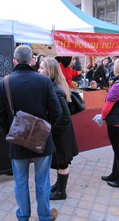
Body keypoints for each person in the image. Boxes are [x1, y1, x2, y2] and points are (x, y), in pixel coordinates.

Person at [0, 45, 62, 221]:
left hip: (17, 141)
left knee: (21, 181)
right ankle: (44, 216)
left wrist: (12, 132)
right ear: (32, 60)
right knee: (43, 181)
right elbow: (57, 112)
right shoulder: (44, 81)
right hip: (43, 141)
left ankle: (23, 216)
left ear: (14, 61)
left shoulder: (5, 82)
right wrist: (45, 130)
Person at [38, 57, 78, 200]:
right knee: (61, 162)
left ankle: (62, 192)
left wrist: (51, 128)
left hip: (61, 135)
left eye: (42, 68)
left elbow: (65, 116)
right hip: (61, 133)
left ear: (50, 71)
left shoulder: (56, 89)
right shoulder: (54, 85)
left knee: (62, 162)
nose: (39, 70)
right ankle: (58, 185)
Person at [93, 58, 119, 188]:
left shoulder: (118, 85)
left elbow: (107, 106)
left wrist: (102, 117)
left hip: (116, 123)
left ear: (117, 69)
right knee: (118, 149)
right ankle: (115, 174)